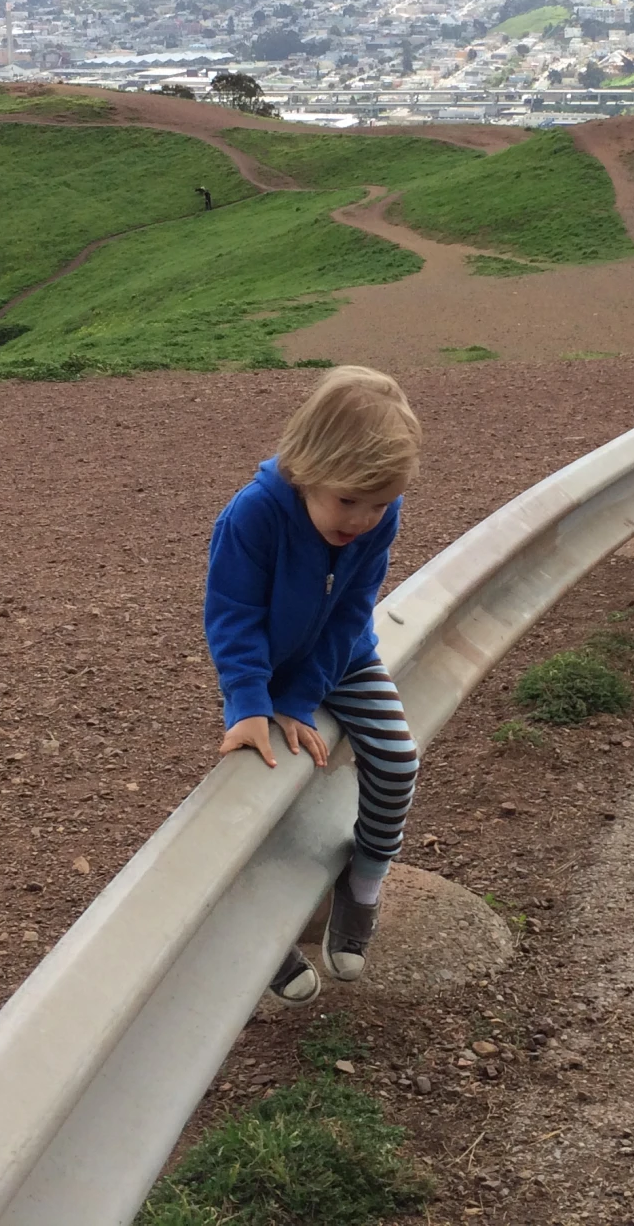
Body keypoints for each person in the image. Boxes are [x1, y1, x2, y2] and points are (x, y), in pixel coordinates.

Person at [204, 365, 421, 1006]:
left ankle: (363, 887)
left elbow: (355, 607)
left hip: (341, 659)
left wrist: (305, 696)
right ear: (304, 469)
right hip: (261, 674)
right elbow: (232, 614)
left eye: (378, 503)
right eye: (347, 501)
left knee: (399, 759)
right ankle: (260, 934)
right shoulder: (255, 516)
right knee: (258, 799)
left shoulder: (380, 514)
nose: (362, 519)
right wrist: (255, 702)